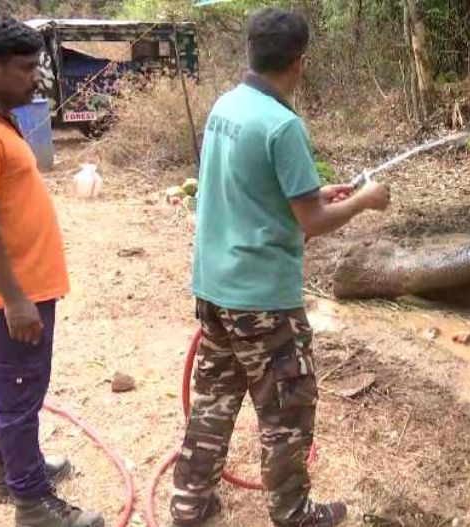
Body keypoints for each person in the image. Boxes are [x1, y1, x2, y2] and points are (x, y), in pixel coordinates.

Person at [171, 7, 391, 527]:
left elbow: (254, 190)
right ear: (299, 61)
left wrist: (317, 193)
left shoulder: (228, 106)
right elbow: (311, 222)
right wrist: (364, 200)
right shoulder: (283, 124)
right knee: (287, 410)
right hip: (263, 301)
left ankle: (190, 503)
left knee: (214, 400)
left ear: (251, 51)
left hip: (215, 289)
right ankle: (293, 514)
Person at [0, 16, 104, 527]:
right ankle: (32, 503)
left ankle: (12, 469)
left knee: (5, 387)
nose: (37, 78)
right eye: (28, 68)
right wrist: (14, 298)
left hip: (19, 289)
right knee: (16, 393)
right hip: (8, 294)